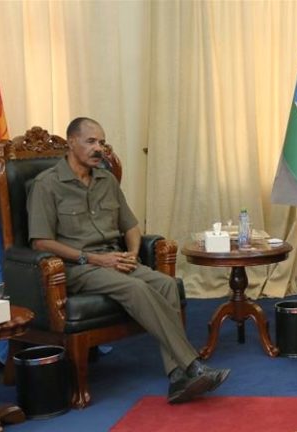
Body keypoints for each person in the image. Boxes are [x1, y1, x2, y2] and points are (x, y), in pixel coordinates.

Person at [27, 117, 230, 404]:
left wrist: (133, 255)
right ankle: (193, 365)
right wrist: (95, 258)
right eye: (91, 141)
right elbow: (41, 242)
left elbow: (131, 226)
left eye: (102, 142)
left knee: (166, 284)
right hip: (78, 266)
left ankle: (176, 378)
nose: (99, 148)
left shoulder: (106, 179)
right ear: (71, 142)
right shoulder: (46, 185)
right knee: (136, 289)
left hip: (115, 260)